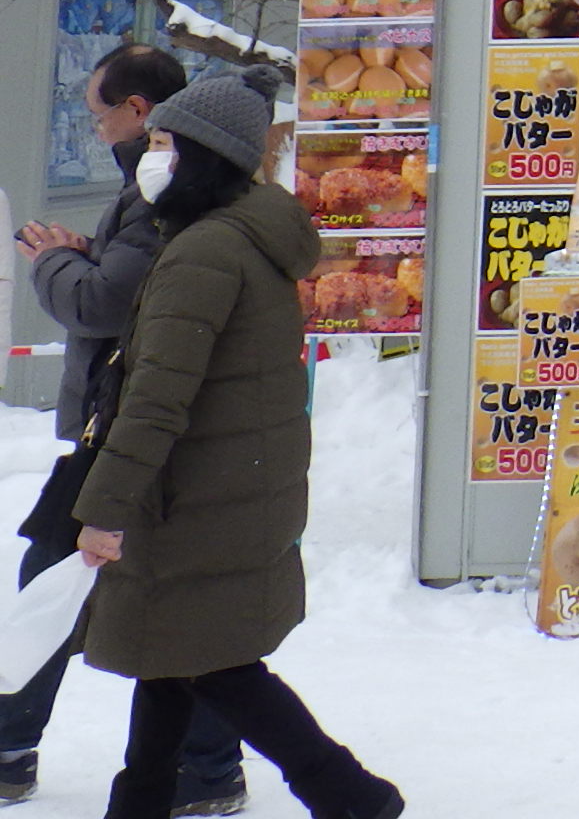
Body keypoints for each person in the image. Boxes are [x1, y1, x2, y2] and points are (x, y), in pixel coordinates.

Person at [70, 70, 404, 819]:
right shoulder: (243, 236)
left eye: (161, 143)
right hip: (228, 488)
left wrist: (103, 509)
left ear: (199, 155)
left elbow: (157, 398)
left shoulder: (203, 254)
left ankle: (350, 795)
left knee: (216, 667)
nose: (150, 157)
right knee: (172, 656)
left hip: (194, 499)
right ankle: (143, 801)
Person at [5, 47, 249, 816]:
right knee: (149, 597)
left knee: (62, 578)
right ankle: (209, 767)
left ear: (141, 113)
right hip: (128, 423)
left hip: (130, 427)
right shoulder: (162, 189)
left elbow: (110, 307)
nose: (95, 125)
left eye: (98, 112)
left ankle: (13, 746)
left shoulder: (167, 195)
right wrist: (87, 255)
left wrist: (50, 263)